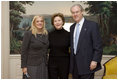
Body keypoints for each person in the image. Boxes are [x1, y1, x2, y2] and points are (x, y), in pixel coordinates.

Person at [69, 4, 103, 79]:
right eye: (73, 12)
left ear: (82, 12)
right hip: (75, 66)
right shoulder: (72, 28)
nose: (75, 14)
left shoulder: (92, 25)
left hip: (88, 65)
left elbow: (98, 45)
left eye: (77, 12)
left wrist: (95, 60)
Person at [48, 13, 70, 79]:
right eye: (55, 21)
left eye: (59, 20)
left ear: (63, 21)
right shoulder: (49, 35)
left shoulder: (68, 35)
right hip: (52, 63)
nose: (57, 22)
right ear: (53, 23)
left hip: (65, 63)